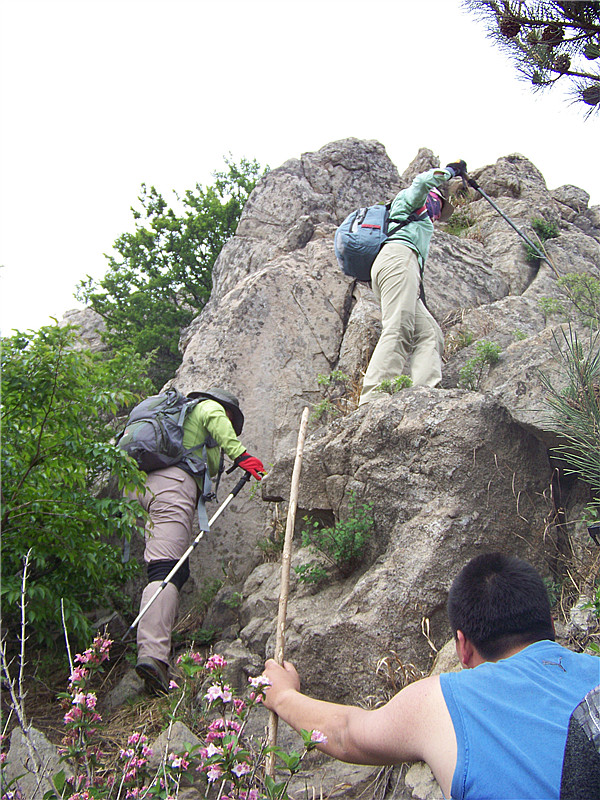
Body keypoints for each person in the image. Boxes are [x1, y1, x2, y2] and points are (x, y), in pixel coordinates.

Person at [263, 553, 600, 800]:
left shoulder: (443, 699)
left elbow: (344, 734)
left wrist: (282, 696)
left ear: (462, 646)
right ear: (552, 626)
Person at [134, 387, 265, 694]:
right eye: (230, 422)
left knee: (171, 568)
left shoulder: (181, 423)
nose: (228, 425)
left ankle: (150, 647)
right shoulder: (208, 408)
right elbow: (215, 419)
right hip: (171, 485)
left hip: (142, 485)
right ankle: (152, 655)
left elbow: (213, 467)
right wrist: (242, 455)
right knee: (167, 571)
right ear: (228, 412)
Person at [359, 160, 467, 406]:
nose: (437, 212)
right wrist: (450, 172)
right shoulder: (411, 199)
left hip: (396, 265)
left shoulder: (417, 218)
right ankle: (372, 398)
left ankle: (425, 394)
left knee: (430, 332)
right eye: (438, 205)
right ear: (433, 198)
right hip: (397, 259)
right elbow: (421, 182)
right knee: (399, 326)